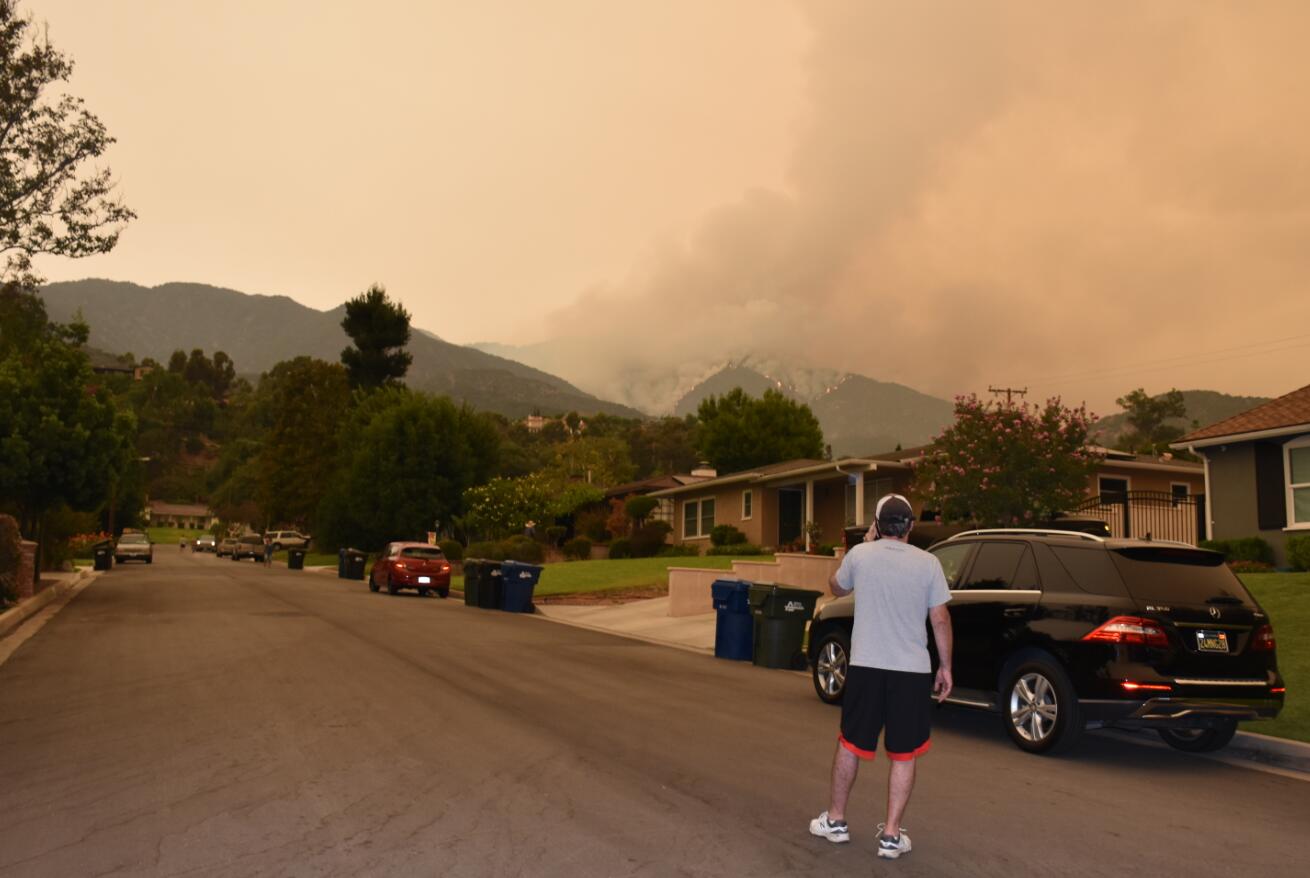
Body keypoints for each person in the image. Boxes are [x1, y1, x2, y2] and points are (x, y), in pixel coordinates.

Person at [809, 494, 953, 861]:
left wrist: (864, 544)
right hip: (911, 672)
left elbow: (835, 587)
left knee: (850, 743)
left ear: (877, 524)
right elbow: (940, 619)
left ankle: (836, 821)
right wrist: (945, 667)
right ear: (910, 526)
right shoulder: (929, 563)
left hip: (866, 667)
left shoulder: (861, 555)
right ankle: (891, 836)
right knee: (904, 754)